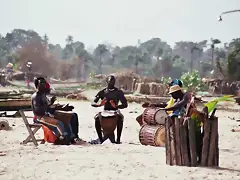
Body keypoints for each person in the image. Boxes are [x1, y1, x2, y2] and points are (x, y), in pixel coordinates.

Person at [31, 77, 74, 145]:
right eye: (41, 83)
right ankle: (63, 138)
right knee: (59, 123)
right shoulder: (36, 96)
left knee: (65, 119)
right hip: (39, 117)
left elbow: (46, 107)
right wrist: (50, 104)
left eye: (44, 83)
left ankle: (70, 137)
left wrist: (52, 104)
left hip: (45, 115)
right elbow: (39, 110)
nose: (43, 85)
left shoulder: (42, 95)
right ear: (37, 85)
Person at [91, 75, 128, 144]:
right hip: (105, 111)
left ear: (114, 82)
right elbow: (93, 102)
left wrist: (116, 106)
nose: (111, 82)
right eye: (110, 81)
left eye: (112, 81)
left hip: (115, 111)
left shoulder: (118, 92)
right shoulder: (102, 92)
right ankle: (101, 138)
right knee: (96, 118)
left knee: (120, 117)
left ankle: (118, 139)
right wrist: (100, 104)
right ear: (106, 81)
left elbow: (125, 104)